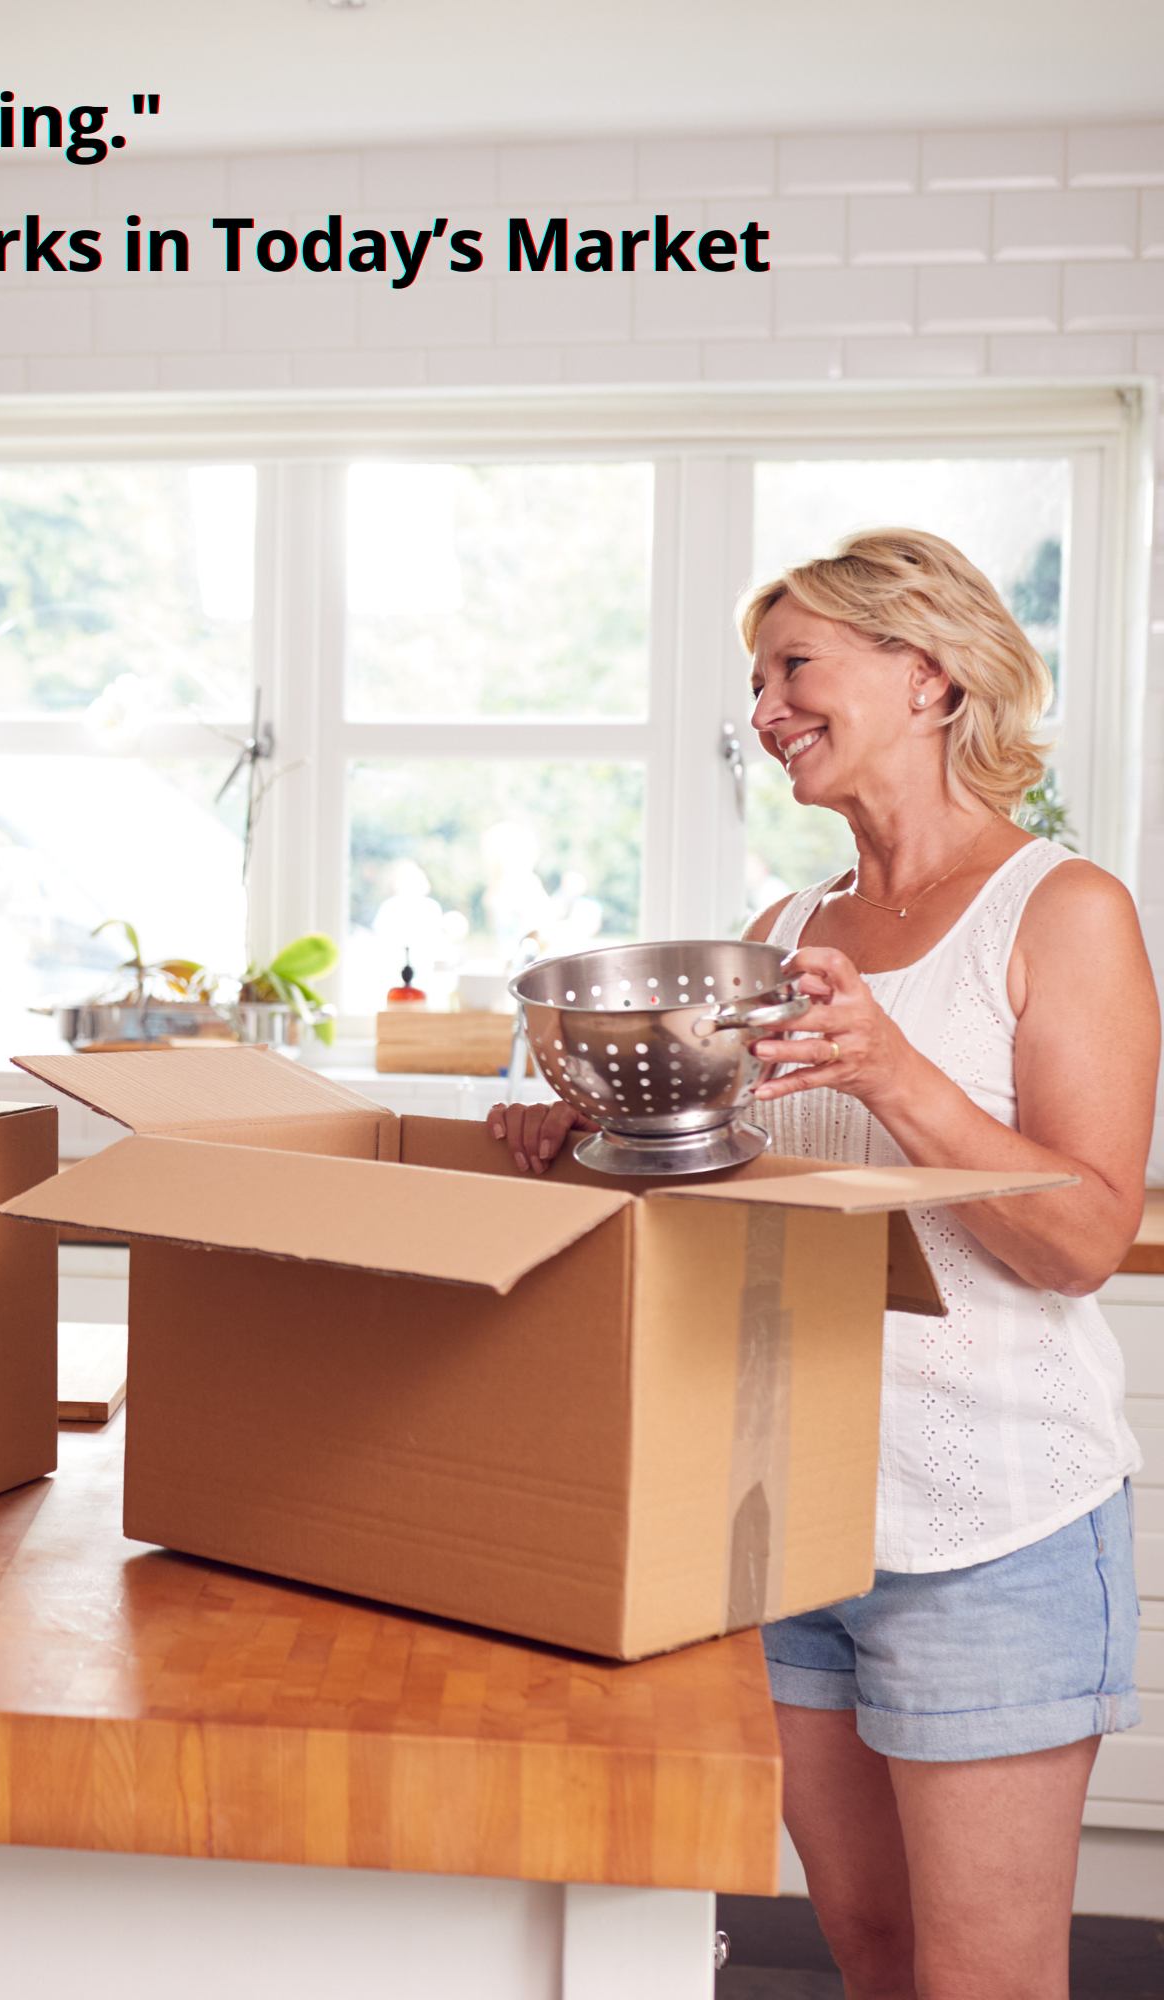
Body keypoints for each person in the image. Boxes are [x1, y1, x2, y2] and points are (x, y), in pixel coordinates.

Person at [491, 527, 1153, 2000]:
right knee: (870, 1949)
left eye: (797, 665)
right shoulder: (778, 936)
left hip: (995, 1528)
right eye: (757, 677)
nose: (767, 704)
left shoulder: (1063, 911)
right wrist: (588, 1131)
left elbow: (1083, 1238)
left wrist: (903, 1074)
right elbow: (731, 1196)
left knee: (982, 1978)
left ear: (927, 677)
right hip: (788, 1517)